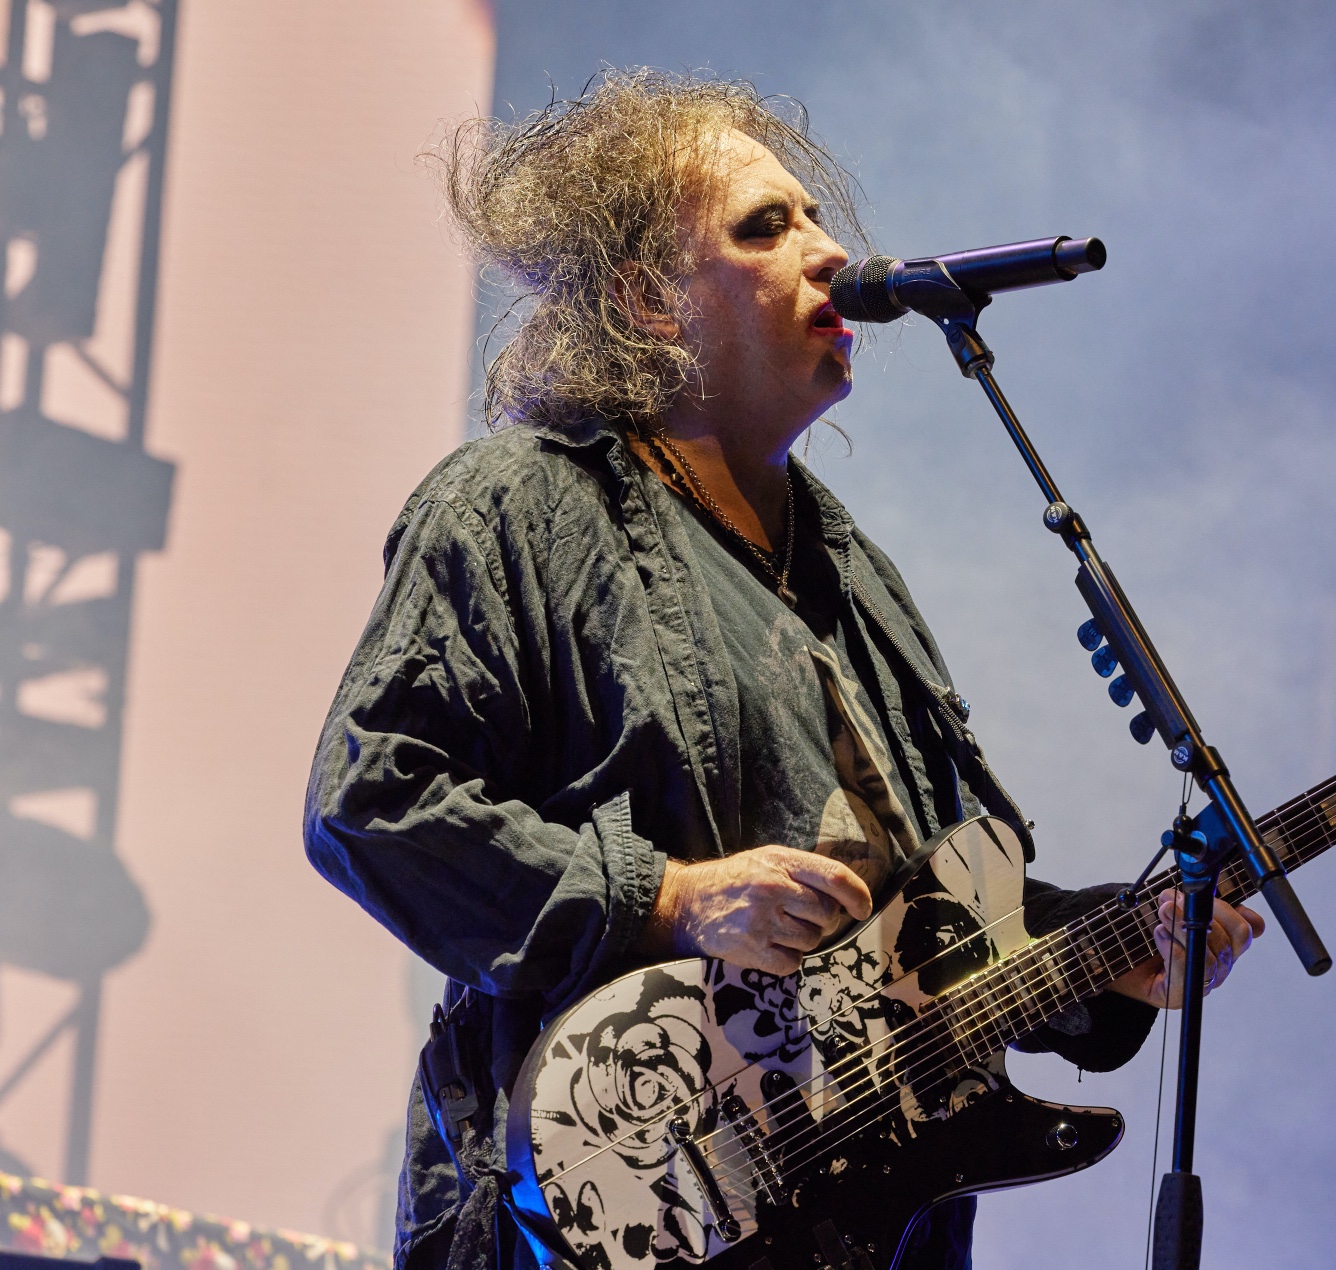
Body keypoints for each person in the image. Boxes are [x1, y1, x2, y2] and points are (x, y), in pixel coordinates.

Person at [304, 71, 1262, 1270]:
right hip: (602, 1210)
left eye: (816, 218)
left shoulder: (857, 577)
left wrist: (1116, 961)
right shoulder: (520, 501)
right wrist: (671, 897)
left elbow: (938, 925)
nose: (831, 250)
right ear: (648, 298)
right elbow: (371, 806)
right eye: (768, 226)